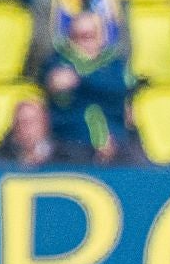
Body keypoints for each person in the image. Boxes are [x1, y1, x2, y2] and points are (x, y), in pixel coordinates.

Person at [42, 9, 129, 162]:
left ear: (101, 38)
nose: (83, 43)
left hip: (116, 142)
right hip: (70, 143)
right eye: (77, 37)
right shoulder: (57, 62)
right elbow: (58, 95)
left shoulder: (114, 64)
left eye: (89, 36)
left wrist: (79, 80)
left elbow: (115, 89)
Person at [0, 95, 55, 165]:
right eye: (21, 122)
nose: (25, 128)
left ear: (44, 124)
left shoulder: (64, 155)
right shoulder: (2, 156)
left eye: (31, 122)